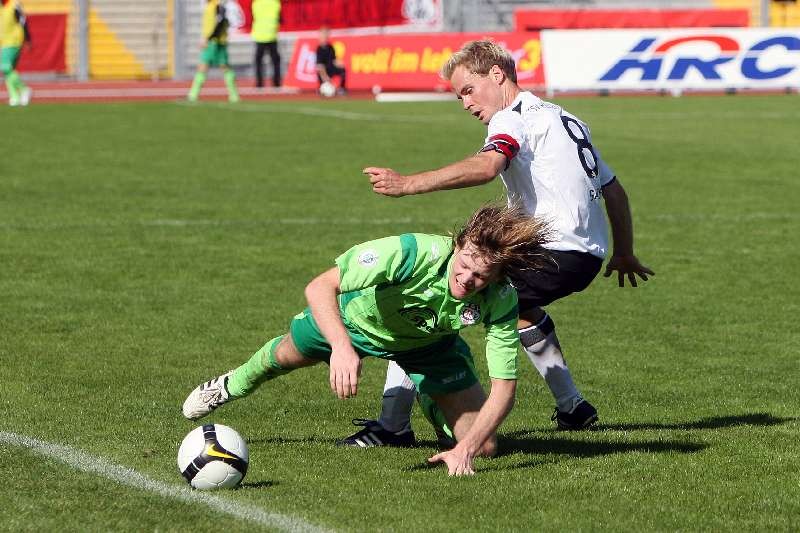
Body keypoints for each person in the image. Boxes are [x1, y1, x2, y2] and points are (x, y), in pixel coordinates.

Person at [348, 39, 654, 447]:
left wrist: (408, 184)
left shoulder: (511, 118)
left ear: (496, 74)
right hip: (583, 256)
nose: (465, 104)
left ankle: (392, 425)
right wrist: (624, 251)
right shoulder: (564, 117)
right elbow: (614, 190)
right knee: (518, 307)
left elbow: (488, 166)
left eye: (468, 90)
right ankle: (573, 406)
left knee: (431, 300)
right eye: (459, 97)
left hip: (551, 250)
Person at [182, 205, 552, 476]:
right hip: (354, 323)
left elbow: (505, 388)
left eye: (481, 276)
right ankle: (229, 385)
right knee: (284, 356)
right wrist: (342, 347)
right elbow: (320, 286)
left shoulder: (501, 298)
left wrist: (465, 451)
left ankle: (431, 398)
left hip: (430, 348)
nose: (467, 279)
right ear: (458, 245)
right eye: (464, 266)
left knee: (484, 446)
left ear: (499, 276)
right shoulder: (411, 252)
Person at [187, 0, 239, 103]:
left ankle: (193, 95)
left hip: (213, 42)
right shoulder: (213, 6)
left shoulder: (216, 6)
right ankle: (234, 96)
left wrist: (208, 38)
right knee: (224, 67)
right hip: (217, 41)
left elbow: (219, 22)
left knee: (204, 66)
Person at [1, 0, 31, 107]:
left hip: (13, 41)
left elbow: (23, 21)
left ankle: (24, 89)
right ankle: (14, 97)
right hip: (5, 42)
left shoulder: (14, 4)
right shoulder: (2, 7)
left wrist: (28, 38)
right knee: (9, 71)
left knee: (4, 66)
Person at [251, 0, 281, 89]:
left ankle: (259, 83)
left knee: (258, 61)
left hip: (259, 35)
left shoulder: (256, 3)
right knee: (275, 60)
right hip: (271, 34)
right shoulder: (275, 3)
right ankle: (276, 82)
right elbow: (279, 17)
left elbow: (254, 16)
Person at [315, 26, 346, 95]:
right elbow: (320, 66)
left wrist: (339, 63)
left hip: (331, 68)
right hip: (324, 70)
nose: (325, 36)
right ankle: (321, 87)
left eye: (327, 34)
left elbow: (334, 60)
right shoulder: (319, 49)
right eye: (324, 34)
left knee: (342, 70)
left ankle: (342, 88)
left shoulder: (330, 47)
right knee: (319, 73)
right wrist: (326, 77)